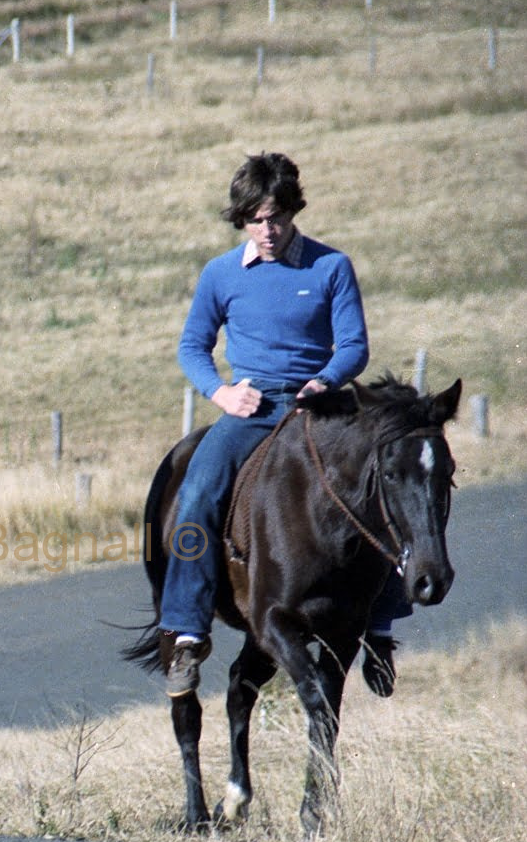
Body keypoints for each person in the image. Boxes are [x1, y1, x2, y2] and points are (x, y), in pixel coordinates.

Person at [159, 150, 404, 698]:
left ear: (293, 211)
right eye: (255, 219)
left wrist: (326, 379)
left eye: (276, 217)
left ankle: (383, 627)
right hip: (254, 407)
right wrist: (221, 392)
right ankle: (187, 632)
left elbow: (354, 345)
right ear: (241, 219)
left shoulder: (330, 266)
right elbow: (192, 346)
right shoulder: (220, 274)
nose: (267, 230)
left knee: (392, 482)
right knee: (196, 492)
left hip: (321, 407)